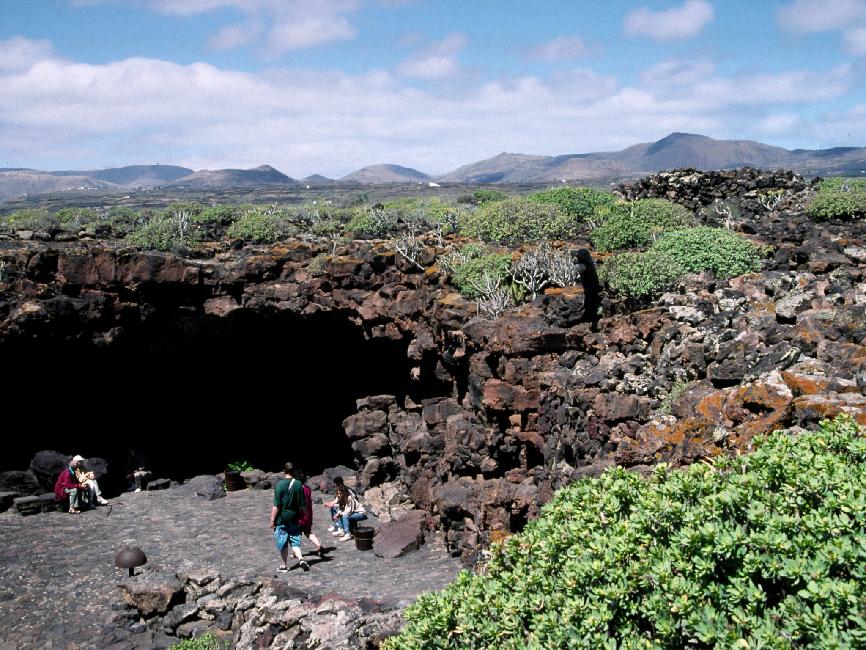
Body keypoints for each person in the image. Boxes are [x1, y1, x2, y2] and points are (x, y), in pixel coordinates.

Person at [270, 462, 309, 572]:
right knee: (294, 539)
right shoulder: (298, 484)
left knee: (283, 542)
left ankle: (284, 566)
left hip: (282, 518)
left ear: (284, 471)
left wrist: (272, 520)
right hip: (294, 518)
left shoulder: (279, 485)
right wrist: (305, 517)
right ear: (294, 471)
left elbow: (276, 506)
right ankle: (301, 559)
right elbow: (303, 505)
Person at [295, 470, 325, 558]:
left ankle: (296, 552)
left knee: (295, 534)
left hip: (300, 515)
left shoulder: (298, 490)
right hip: (308, 514)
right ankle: (318, 545)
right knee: (308, 532)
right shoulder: (307, 488)